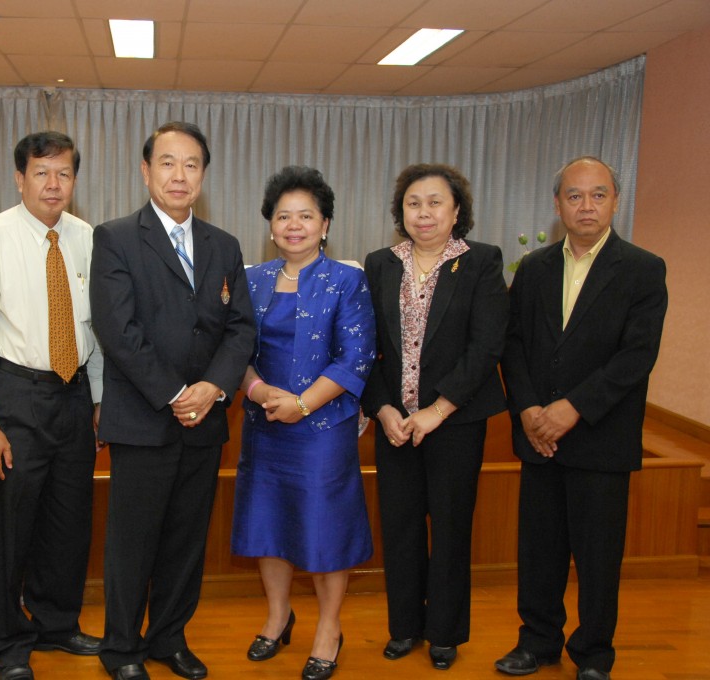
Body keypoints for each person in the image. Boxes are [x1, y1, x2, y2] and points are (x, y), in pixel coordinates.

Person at [90, 121, 256, 680]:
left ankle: (168, 639)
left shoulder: (224, 245)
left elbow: (240, 329)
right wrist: (175, 393)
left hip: (205, 420)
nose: (179, 175)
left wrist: (213, 388)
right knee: (132, 544)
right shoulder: (114, 237)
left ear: (204, 174)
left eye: (191, 164)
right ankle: (121, 649)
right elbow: (119, 331)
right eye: (167, 162)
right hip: (143, 418)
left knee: (186, 541)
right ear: (146, 170)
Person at [494, 157, 667, 680]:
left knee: (597, 557)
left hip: (600, 434)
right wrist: (527, 408)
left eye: (598, 195)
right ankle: (537, 640)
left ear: (616, 201)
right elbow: (514, 345)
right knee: (539, 550)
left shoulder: (642, 268)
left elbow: (637, 356)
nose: (585, 205)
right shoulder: (535, 268)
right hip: (538, 435)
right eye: (574, 196)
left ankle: (593, 652)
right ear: (558, 205)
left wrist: (573, 408)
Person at [0, 131, 104, 680]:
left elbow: (92, 327)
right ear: (19, 177)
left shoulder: (87, 238)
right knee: (9, 526)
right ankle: (9, 646)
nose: (53, 184)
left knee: (69, 521)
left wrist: (96, 399)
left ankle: (57, 624)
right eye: (41, 172)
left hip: (72, 395)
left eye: (63, 173)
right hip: (16, 394)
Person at [361, 163, 508, 671]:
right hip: (394, 425)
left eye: (435, 202)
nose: (424, 213)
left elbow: (486, 344)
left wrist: (438, 410)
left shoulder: (482, 262)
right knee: (399, 527)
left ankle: (444, 632)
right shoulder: (380, 263)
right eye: (413, 203)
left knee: (449, 527)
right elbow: (368, 348)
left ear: (457, 211)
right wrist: (383, 409)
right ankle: (405, 627)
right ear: (401, 212)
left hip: (456, 423)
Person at [231, 166, 375, 680]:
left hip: (322, 431)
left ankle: (329, 628)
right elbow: (234, 351)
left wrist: (304, 404)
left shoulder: (347, 279)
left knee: (326, 530)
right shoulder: (251, 280)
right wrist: (258, 390)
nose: (294, 225)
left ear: (325, 223)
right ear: (270, 225)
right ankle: (277, 616)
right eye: (283, 216)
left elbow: (356, 357)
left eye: (306, 216)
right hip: (266, 423)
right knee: (268, 526)